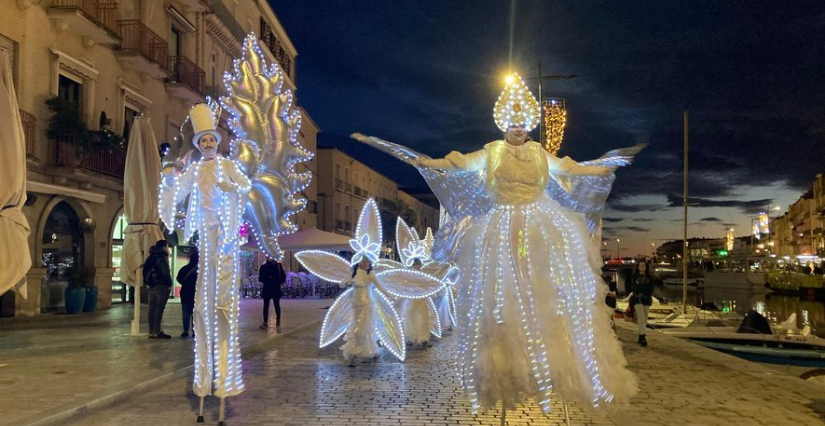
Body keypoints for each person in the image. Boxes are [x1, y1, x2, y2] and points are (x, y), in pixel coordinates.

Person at [353, 74, 639, 413]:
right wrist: (426, 162)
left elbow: (568, 169)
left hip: (539, 222)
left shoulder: (538, 152)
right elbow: (459, 162)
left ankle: (551, 353)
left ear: (529, 124)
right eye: (513, 123)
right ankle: (504, 357)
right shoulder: (492, 151)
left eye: (523, 123)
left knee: (551, 287)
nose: (518, 129)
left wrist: (600, 170)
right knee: (499, 291)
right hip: (501, 223)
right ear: (504, 124)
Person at [158, 103, 252, 399]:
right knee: (201, 306)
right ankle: (203, 377)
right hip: (205, 238)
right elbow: (177, 189)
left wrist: (231, 187)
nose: (208, 144)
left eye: (212, 140)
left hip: (224, 238)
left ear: (217, 142)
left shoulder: (228, 166)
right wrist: (171, 175)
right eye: (203, 141)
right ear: (199, 145)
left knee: (223, 306)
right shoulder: (196, 170)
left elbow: (246, 186)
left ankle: (226, 377)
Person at [342, 257, 381, 366]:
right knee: (357, 326)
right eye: (363, 261)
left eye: (366, 262)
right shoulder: (354, 273)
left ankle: (358, 353)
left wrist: (389, 294)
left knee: (364, 328)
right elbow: (343, 282)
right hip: (356, 305)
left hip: (367, 304)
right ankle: (364, 351)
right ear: (358, 262)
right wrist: (346, 282)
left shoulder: (370, 273)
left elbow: (379, 285)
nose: (364, 263)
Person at [143, 240, 172, 339]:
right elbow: (165, 272)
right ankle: (157, 331)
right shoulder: (162, 258)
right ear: (164, 247)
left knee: (152, 308)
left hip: (151, 286)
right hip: (161, 286)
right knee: (159, 309)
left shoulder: (150, 257)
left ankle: (151, 331)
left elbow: (144, 270)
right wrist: (169, 284)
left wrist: (147, 283)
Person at [630, 260, 655, 346]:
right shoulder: (634, 277)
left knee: (645, 319)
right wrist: (643, 288)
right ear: (637, 267)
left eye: (644, 265)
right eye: (641, 266)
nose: (643, 267)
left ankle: (641, 336)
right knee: (641, 318)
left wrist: (642, 288)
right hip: (637, 299)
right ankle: (642, 337)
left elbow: (651, 289)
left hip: (647, 299)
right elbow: (635, 288)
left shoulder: (649, 277)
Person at [176, 249, 198, 338]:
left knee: (185, 312)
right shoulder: (201, 270)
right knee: (195, 313)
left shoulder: (184, 268)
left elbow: (178, 278)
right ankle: (194, 331)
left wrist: (185, 284)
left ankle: (185, 331)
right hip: (196, 293)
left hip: (185, 292)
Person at [259, 258, 286, 329]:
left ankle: (277, 320)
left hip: (273, 288)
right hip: (270, 288)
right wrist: (270, 279)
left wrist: (274, 280)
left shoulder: (278, 266)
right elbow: (260, 278)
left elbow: (283, 277)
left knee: (275, 304)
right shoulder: (264, 266)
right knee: (268, 305)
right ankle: (266, 322)